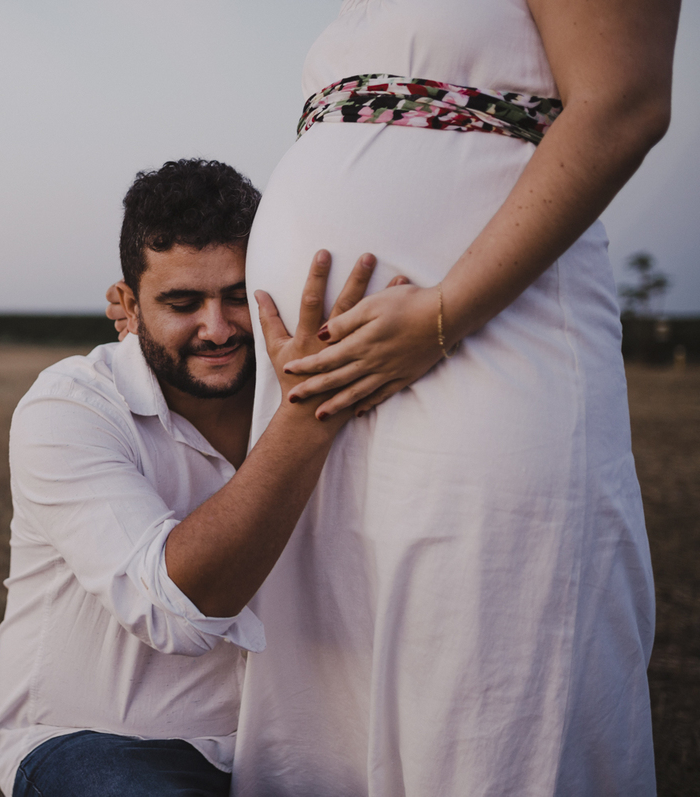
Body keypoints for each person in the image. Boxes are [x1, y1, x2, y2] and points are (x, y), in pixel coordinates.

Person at [229, 0, 678, 794]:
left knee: (487, 676)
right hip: (333, 389)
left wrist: (442, 316)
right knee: (336, 697)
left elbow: (625, 101)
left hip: (490, 342)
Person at [0, 159, 405, 797]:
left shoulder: (293, 377)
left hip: (289, 745)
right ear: (126, 304)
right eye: (182, 303)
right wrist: (306, 419)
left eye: (238, 295)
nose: (217, 328)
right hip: (101, 744)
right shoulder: (70, 406)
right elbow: (176, 614)